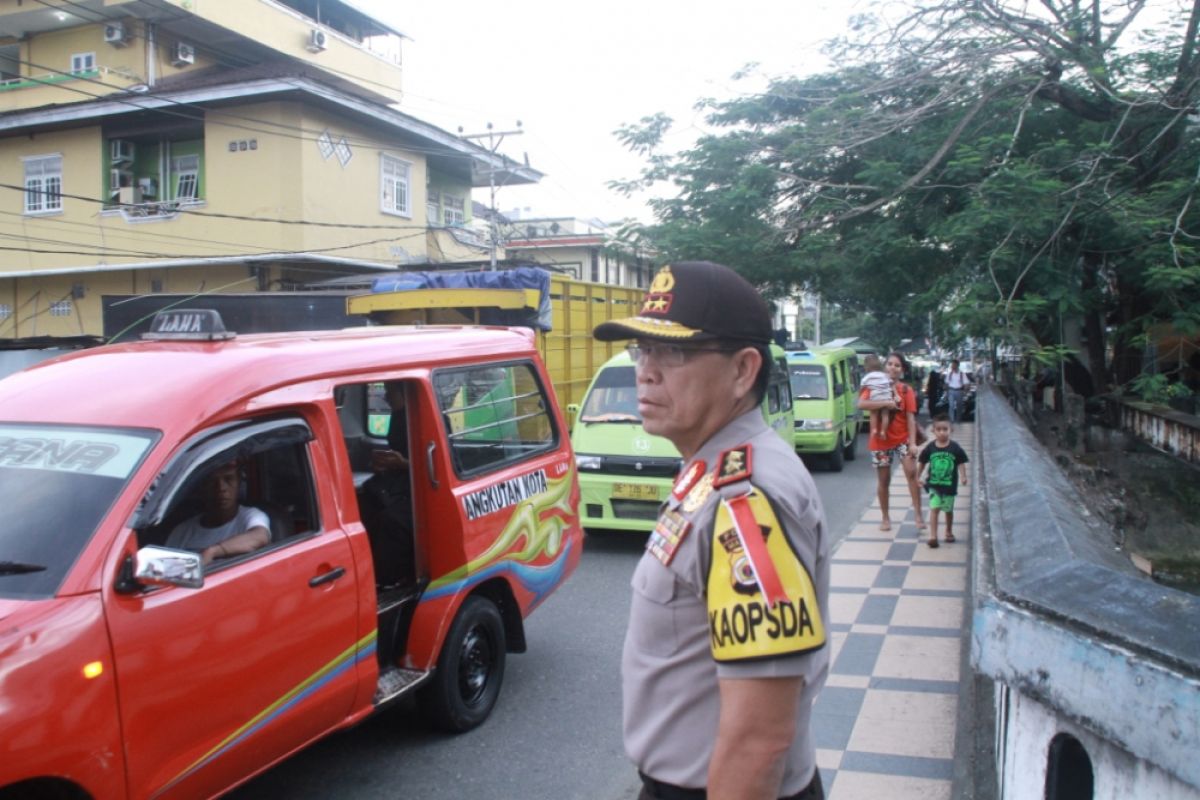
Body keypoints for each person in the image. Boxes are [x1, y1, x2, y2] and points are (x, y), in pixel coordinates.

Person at [593, 261, 829, 800]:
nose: (645, 371)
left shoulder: (746, 496)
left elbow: (758, 739)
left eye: (672, 352)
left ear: (744, 371)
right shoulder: (709, 468)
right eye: (642, 350)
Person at [857, 352, 925, 533]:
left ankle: (918, 514)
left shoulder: (905, 390)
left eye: (897, 365)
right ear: (884, 366)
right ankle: (885, 517)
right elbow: (861, 404)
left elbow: (910, 418)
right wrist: (885, 404)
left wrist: (912, 443)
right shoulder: (873, 384)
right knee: (883, 480)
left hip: (902, 438)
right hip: (880, 441)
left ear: (902, 370)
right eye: (890, 364)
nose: (893, 368)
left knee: (911, 473)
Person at [165, 460, 270, 566]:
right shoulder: (182, 531)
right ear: (202, 487)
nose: (221, 488)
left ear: (239, 482)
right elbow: (166, 570)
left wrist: (213, 552)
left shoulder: (250, 516)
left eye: (228, 479)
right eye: (212, 481)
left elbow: (260, 536)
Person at [918, 414, 970, 548]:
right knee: (934, 508)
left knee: (948, 510)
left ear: (950, 430)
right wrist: (919, 476)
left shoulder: (955, 447)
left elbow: (961, 463)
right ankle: (933, 536)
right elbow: (922, 462)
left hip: (949, 486)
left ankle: (948, 531)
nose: (942, 432)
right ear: (933, 431)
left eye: (945, 429)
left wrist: (963, 476)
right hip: (934, 485)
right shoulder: (930, 447)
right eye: (939, 429)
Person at [859, 354, 894, 439]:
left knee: (873, 413)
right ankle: (883, 431)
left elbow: (862, 386)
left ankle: (874, 430)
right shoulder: (884, 375)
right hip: (886, 395)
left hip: (875, 396)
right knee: (885, 415)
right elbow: (891, 382)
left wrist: (860, 393)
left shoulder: (868, 376)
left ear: (867, 366)